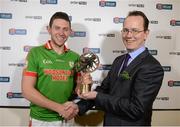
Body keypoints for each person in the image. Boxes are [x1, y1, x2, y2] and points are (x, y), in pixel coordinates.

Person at [77, 10, 164, 126]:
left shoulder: (152, 67)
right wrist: (77, 107)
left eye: (135, 31)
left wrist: (97, 96)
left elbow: (136, 109)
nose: (129, 35)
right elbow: (105, 89)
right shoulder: (119, 60)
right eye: (126, 30)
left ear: (146, 34)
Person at [21, 11, 80, 126]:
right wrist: (59, 108)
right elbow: (27, 90)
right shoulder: (35, 53)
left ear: (70, 32)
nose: (61, 33)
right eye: (57, 28)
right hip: (41, 120)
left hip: (67, 119)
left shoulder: (75, 57)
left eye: (65, 29)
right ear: (49, 29)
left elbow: (77, 91)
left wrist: (84, 84)